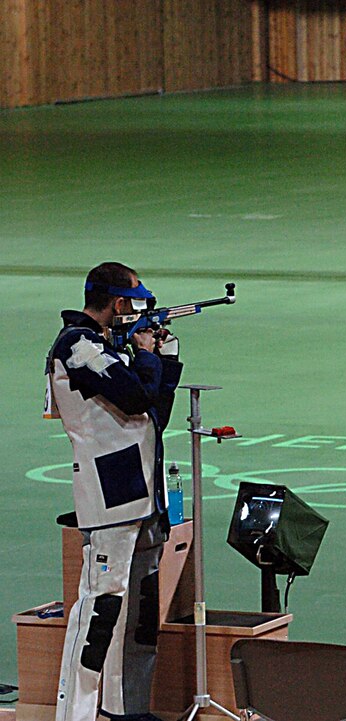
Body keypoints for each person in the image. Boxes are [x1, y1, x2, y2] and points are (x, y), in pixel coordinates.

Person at [46, 262, 183, 721]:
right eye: (134, 300)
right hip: (109, 495)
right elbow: (134, 398)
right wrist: (145, 355)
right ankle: (76, 715)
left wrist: (164, 359)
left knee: (138, 615)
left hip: (142, 493)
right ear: (118, 302)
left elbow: (153, 413)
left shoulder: (108, 346)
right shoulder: (78, 345)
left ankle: (126, 710)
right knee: (99, 613)